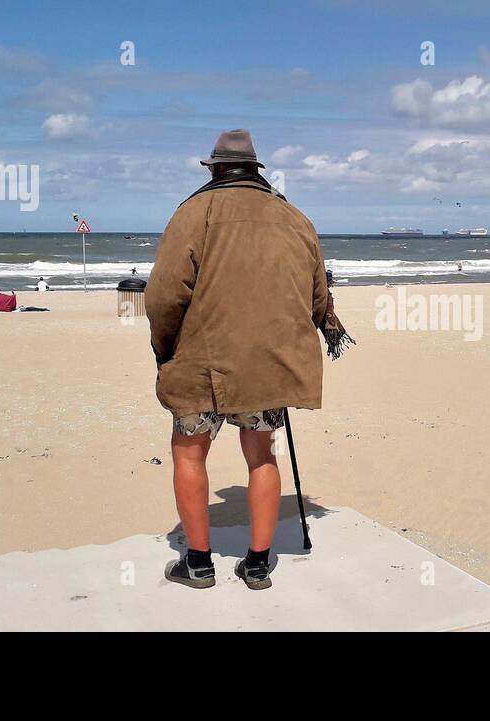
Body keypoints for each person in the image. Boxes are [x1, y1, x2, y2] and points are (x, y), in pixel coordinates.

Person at [146, 129, 349, 592]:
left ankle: (198, 563)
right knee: (262, 454)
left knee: (189, 453)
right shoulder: (292, 216)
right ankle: (258, 564)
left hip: (201, 362)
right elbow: (318, 294)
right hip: (266, 361)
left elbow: (163, 297)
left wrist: (164, 348)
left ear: (216, 168)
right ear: (254, 170)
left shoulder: (194, 211)